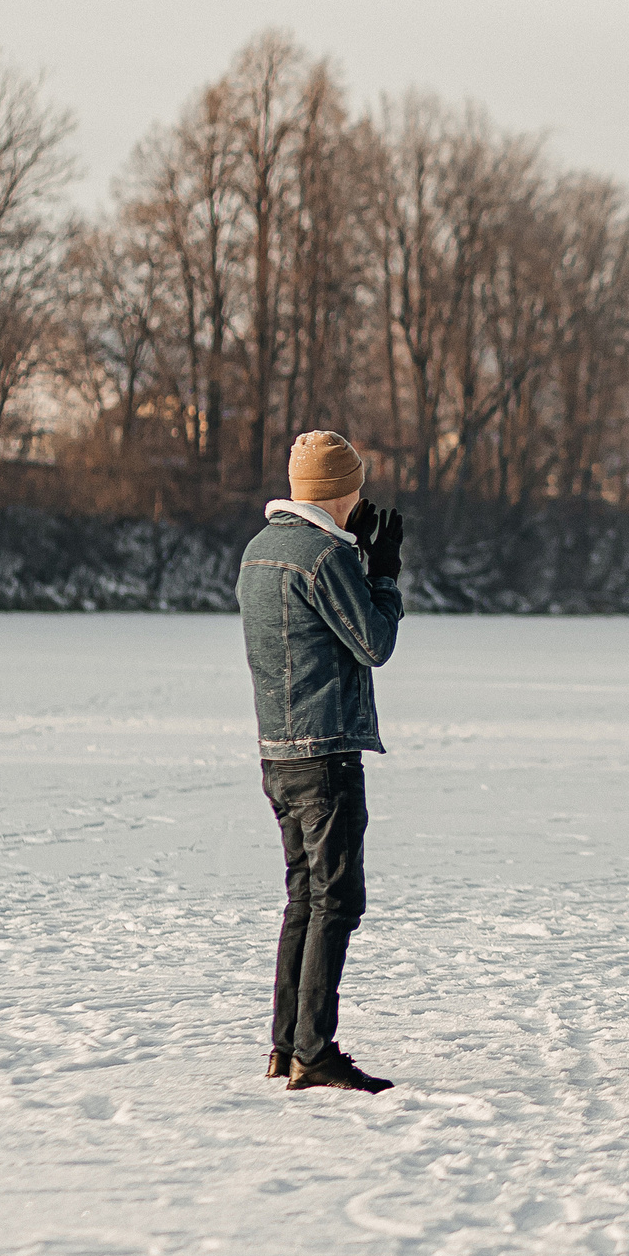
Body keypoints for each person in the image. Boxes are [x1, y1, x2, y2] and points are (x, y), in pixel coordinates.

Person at [238, 431, 407, 1093]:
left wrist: (355, 554)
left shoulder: (261, 551)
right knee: (336, 900)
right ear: (342, 492)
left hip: (277, 753)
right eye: (356, 489)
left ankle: (287, 1045)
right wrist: (384, 574)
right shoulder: (320, 555)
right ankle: (314, 1051)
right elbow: (374, 641)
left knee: (305, 898)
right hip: (326, 754)